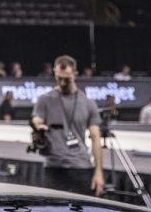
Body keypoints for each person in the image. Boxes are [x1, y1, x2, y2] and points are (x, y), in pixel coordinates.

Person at [31, 55, 105, 196]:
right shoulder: (45, 100)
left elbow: (96, 138)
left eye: (67, 79)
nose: (63, 83)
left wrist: (99, 172)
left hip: (81, 167)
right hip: (54, 167)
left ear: (75, 74)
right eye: (59, 78)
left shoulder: (88, 103)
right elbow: (37, 119)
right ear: (54, 73)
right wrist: (38, 126)